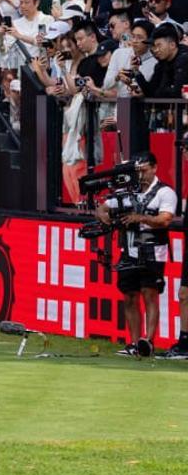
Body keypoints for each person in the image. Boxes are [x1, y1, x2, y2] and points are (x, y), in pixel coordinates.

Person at [95, 152, 175, 356]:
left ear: (155, 168)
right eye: (138, 171)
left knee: (150, 294)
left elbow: (165, 220)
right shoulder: (127, 192)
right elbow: (102, 208)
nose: (141, 175)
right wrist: (107, 218)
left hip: (152, 252)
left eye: (145, 170)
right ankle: (133, 342)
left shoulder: (165, 192)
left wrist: (139, 218)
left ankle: (147, 341)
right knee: (129, 296)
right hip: (128, 250)